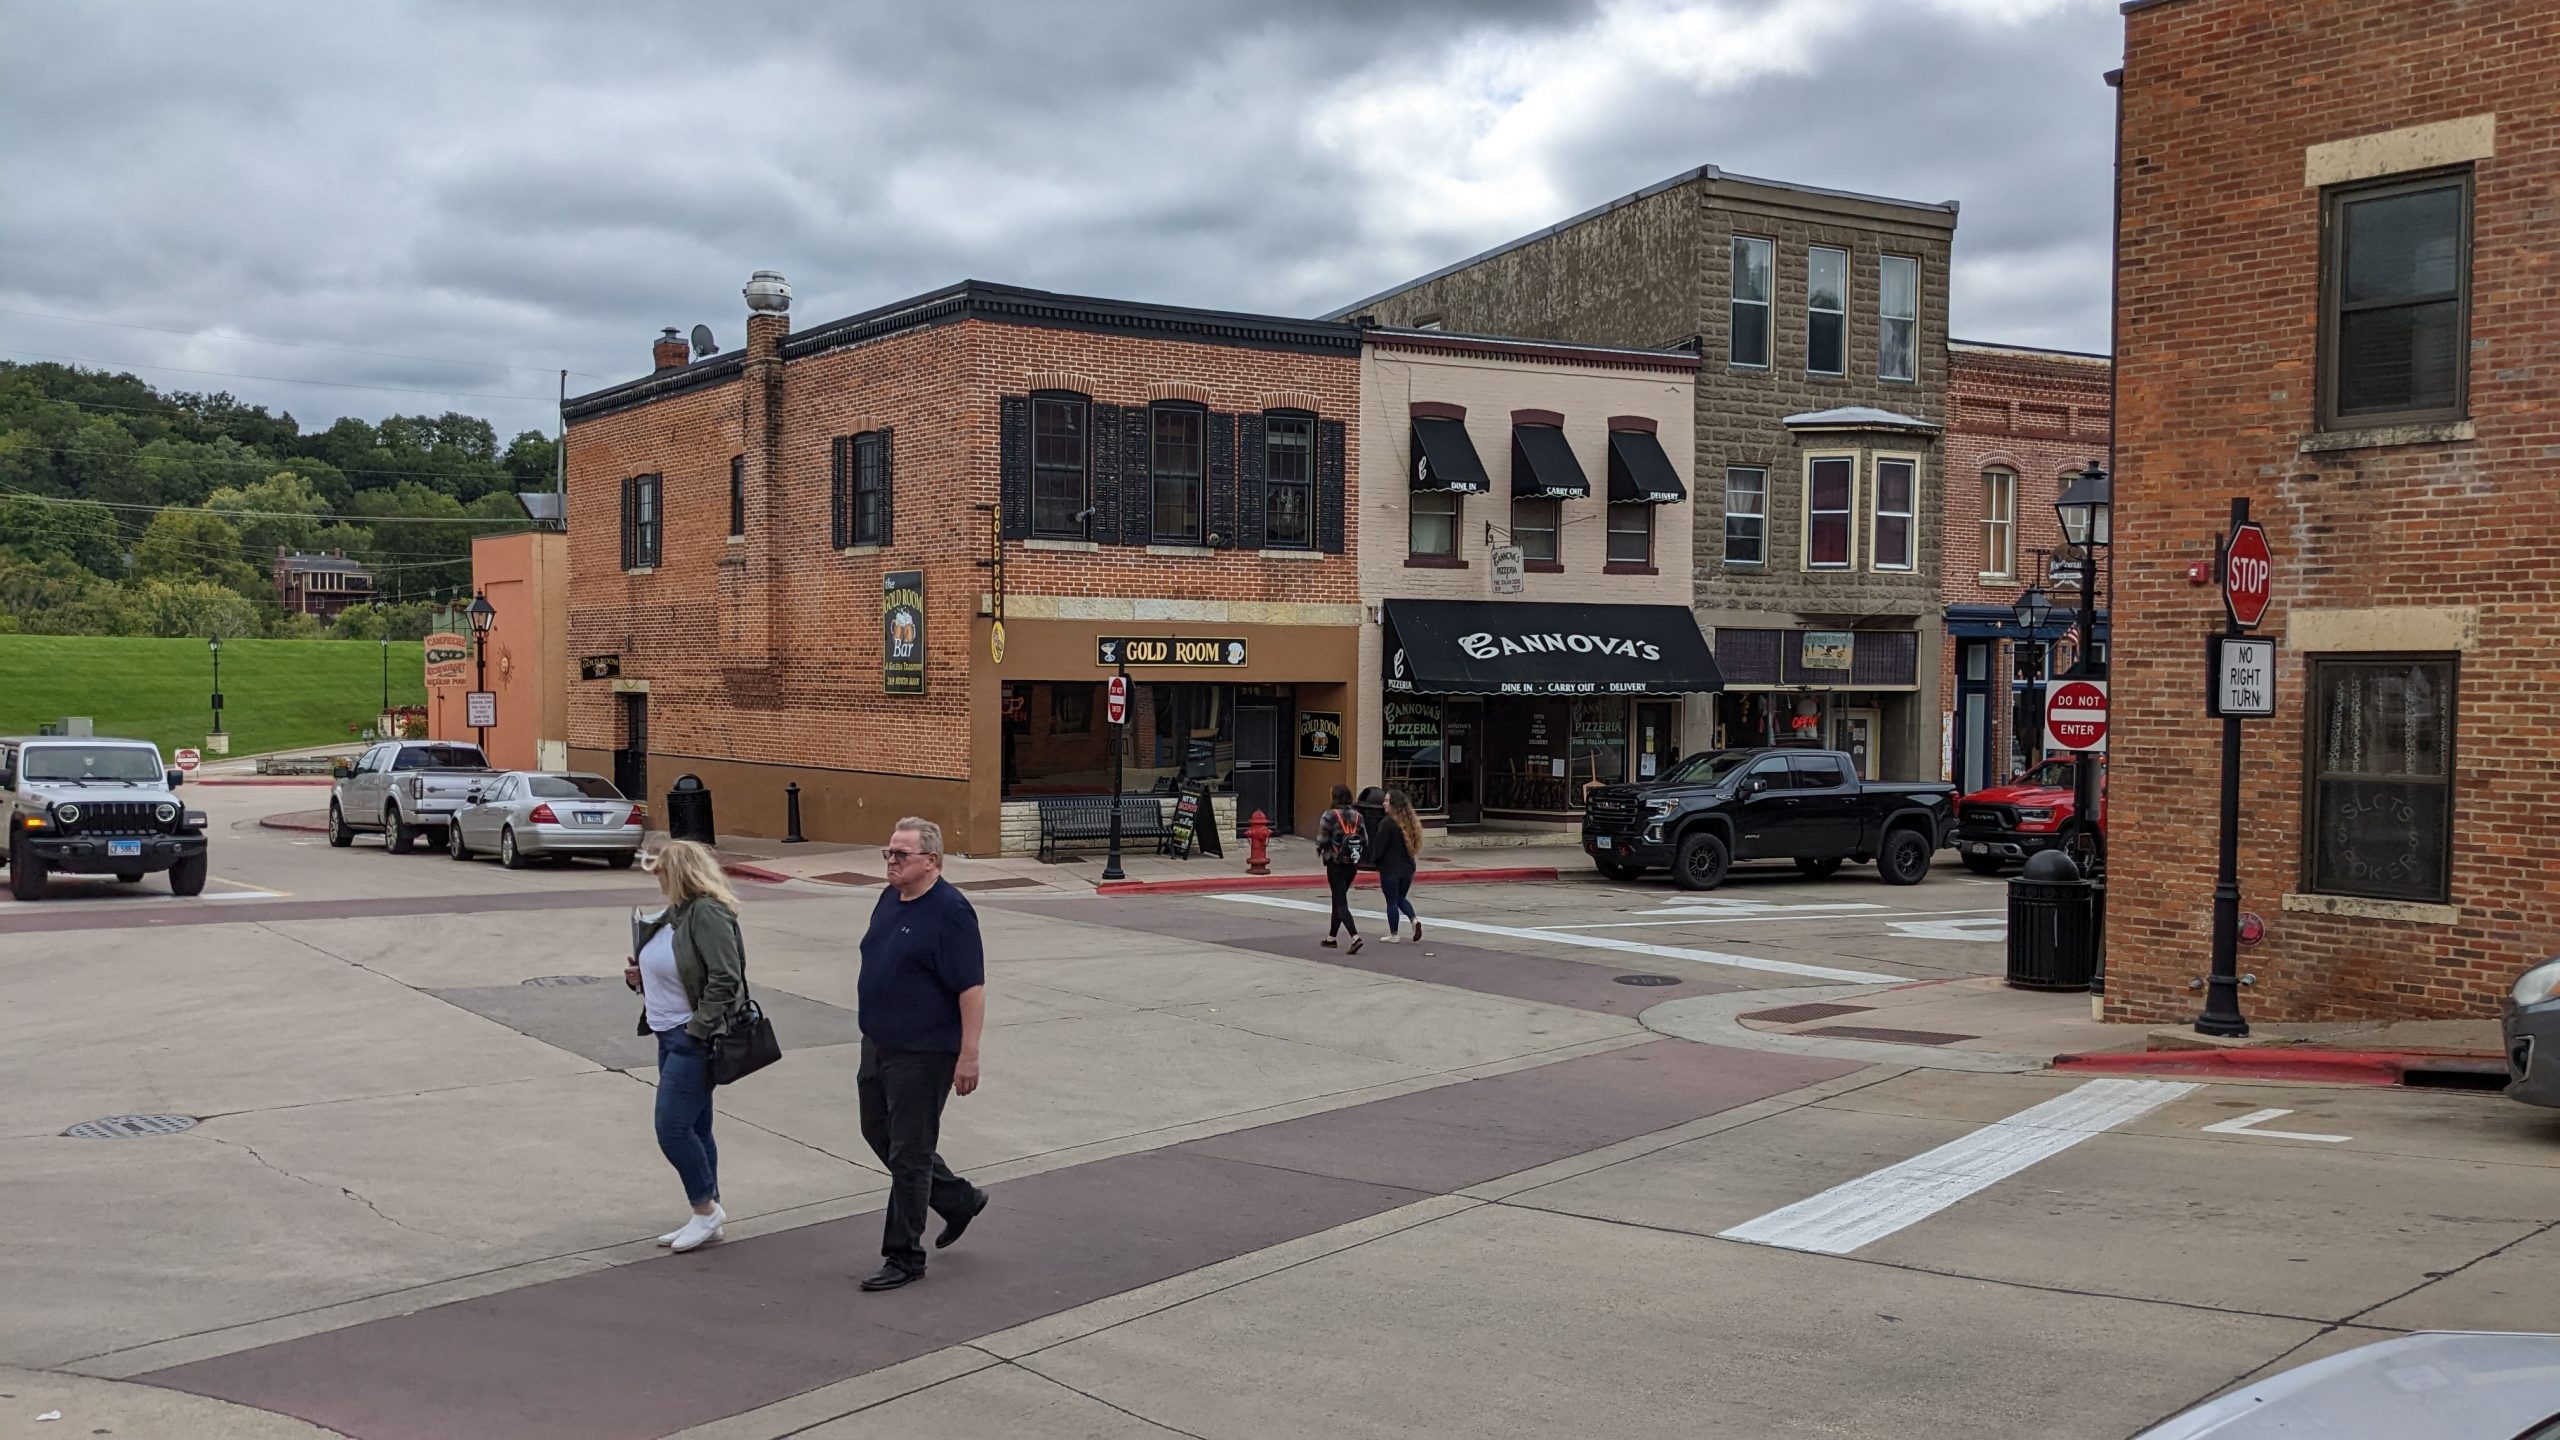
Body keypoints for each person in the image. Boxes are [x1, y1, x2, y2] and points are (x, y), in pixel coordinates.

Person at [855, 816, 989, 1292]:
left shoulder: (951, 911)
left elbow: (971, 988)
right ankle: (956, 1199)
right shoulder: (889, 898)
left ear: (930, 861)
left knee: (909, 1153)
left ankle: (904, 1255)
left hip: (925, 1051)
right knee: (878, 1132)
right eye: (888, 853)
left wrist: (967, 1055)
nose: (890, 862)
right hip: (879, 1044)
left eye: (900, 855)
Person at [623, 839, 748, 1254]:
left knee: (672, 1128)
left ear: (678, 872)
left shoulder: (707, 913)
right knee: (696, 1127)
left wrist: (698, 1029)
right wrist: (639, 978)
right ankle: (709, 1212)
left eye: (660, 871)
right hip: (667, 1034)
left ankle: (705, 1209)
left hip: (690, 1039)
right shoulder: (675, 914)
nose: (656, 878)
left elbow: (725, 977)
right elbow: (676, 968)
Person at [1316, 783, 1365, 954]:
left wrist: (1320, 849)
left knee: (1340, 901)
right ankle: (1331, 937)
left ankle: (1355, 937)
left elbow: (1322, 839)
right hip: (1352, 863)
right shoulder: (1358, 816)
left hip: (1335, 863)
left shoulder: (1329, 815)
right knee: (1338, 898)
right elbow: (1364, 839)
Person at [1376, 790, 1424, 943]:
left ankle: (1394, 934)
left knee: (1391, 901)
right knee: (1400, 898)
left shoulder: (1387, 823)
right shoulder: (1410, 823)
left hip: (1390, 869)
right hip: (1408, 868)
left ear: (1394, 805)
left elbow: (1379, 847)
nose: (1384, 803)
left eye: (1387, 801)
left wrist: (1374, 861)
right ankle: (1414, 920)